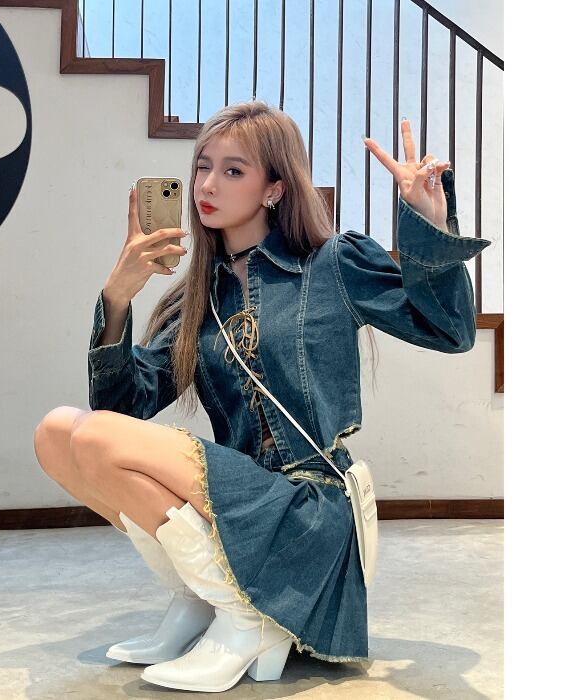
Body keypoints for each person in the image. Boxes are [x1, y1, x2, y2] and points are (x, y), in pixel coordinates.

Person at [33, 100, 492, 692]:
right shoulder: (199, 299)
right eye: (202, 167)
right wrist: (118, 298)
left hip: (309, 505)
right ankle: (204, 598)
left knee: (90, 433)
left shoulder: (333, 263)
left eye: (233, 170)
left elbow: (451, 332)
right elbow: (121, 410)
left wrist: (431, 227)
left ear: (275, 187)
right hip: (239, 495)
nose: (206, 185)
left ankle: (247, 617)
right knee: (57, 433)